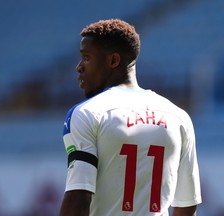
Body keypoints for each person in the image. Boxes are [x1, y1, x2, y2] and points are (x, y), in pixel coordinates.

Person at [59, 19, 202, 216]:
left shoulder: (87, 113)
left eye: (86, 57)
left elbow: (79, 196)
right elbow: (186, 205)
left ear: (113, 61)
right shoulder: (178, 117)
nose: (79, 67)